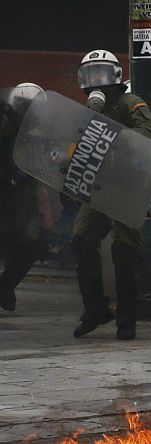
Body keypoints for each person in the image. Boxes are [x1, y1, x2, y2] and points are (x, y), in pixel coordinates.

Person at [71, 50, 151, 340]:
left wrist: (113, 136)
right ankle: (95, 308)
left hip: (128, 185)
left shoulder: (130, 103)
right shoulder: (88, 112)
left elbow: (148, 134)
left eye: (101, 73)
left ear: (116, 76)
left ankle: (127, 319)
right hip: (99, 186)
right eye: (90, 74)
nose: (96, 81)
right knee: (82, 238)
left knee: (124, 249)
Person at [0, 83, 48, 312]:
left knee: (32, 243)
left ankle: (5, 283)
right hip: (4, 189)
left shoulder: (40, 130)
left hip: (24, 193)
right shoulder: (5, 123)